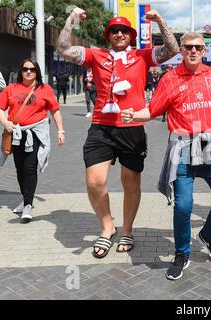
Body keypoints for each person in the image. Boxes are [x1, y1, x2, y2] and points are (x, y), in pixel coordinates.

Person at [121, 32, 211, 280]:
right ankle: (181, 253)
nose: (193, 51)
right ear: (182, 50)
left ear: (204, 50)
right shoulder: (170, 78)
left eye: (198, 47)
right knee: (183, 206)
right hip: (183, 147)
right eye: (188, 47)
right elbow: (153, 110)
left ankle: (208, 235)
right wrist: (134, 115)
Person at [56, 7, 179, 259]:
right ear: (109, 35)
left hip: (132, 128)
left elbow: (172, 49)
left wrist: (159, 21)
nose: (120, 33)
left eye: (124, 30)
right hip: (101, 126)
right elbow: (63, 49)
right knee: (95, 180)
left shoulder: (142, 56)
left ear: (131, 35)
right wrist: (71, 20)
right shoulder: (96, 55)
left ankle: (127, 230)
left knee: (130, 182)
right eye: (115, 30)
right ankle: (107, 226)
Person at [0, 59, 65, 223]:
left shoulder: (44, 89)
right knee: (19, 168)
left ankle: (28, 205)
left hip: (35, 134)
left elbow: (55, 111)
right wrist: (5, 121)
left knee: (29, 168)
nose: (28, 72)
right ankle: (25, 199)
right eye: (25, 69)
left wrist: (61, 130)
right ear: (21, 71)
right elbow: (0, 108)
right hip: (16, 133)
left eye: (32, 69)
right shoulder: (11, 88)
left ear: (37, 72)